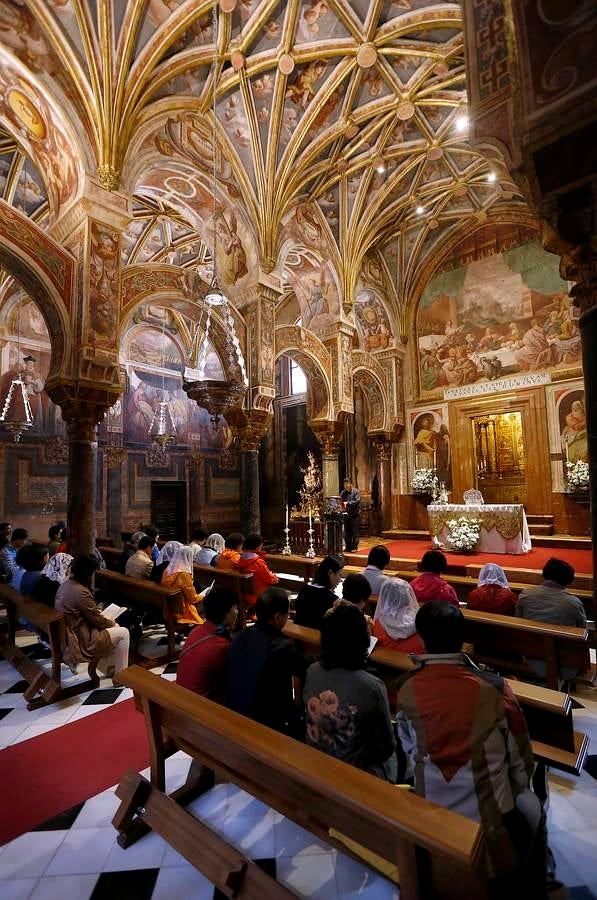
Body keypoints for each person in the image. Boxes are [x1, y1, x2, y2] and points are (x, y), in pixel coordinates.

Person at [396, 602, 553, 896]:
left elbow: (408, 753)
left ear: (421, 638)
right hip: (493, 836)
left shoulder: (406, 689)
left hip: (428, 823)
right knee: (535, 808)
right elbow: (522, 762)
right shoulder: (494, 689)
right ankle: (534, 890)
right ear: (462, 638)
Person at [304, 604, 397, 781]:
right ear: (362, 641)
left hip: (316, 761)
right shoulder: (371, 685)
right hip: (354, 776)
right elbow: (386, 746)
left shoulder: (312, 671)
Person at [228, 587, 307, 737]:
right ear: (278, 617)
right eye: (287, 614)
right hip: (264, 723)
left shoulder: (239, 637)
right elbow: (302, 667)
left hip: (236, 710)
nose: (289, 617)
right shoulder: (281, 646)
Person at [55, 554, 130, 679]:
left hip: (71, 631)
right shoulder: (80, 591)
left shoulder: (66, 585)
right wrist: (110, 621)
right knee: (123, 632)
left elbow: (88, 614)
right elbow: (97, 621)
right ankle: (121, 677)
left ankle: (112, 669)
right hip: (81, 639)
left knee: (115, 627)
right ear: (88, 573)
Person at [516, 558, 587, 682]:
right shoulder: (573, 603)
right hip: (566, 665)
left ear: (545, 573)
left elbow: (518, 621)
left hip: (533, 657)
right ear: (568, 579)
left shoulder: (526, 595)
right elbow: (583, 630)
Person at [176, 586, 239, 702]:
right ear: (226, 613)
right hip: (202, 709)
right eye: (235, 608)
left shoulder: (196, 631)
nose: (237, 612)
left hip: (182, 698)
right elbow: (231, 682)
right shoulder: (221, 646)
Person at [373, 578, 424, 654]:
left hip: (384, 663)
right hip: (415, 662)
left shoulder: (376, 625)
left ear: (384, 596)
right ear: (408, 595)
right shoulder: (422, 622)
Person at [294, 555, 343, 630]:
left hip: (299, 634)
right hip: (316, 638)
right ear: (330, 573)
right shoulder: (332, 599)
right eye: (339, 575)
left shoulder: (304, 589)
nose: (340, 579)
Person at [160, 546, 204, 627]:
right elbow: (193, 598)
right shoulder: (184, 574)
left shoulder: (167, 570)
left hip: (168, 607)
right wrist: (203, 595)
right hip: (182, 610)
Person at [238, 533, 279, 602]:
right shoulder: (258, 562)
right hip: (259, 595)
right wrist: (275, 577)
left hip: (243, 594)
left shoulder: (240, 559)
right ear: (258, 547)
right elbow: (270, 579)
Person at [340, 477, 361, 551]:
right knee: (347, 533)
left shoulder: (356, 492)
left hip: (354, 515)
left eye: (347, 483)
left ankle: (354, 547)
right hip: (346, 515)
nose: (345, 485)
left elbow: (357, 501)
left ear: (351, 484)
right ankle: (348, 547)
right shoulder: (343, 492)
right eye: (344, 484)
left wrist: (347, 503)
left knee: (355, 533)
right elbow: (340, 502)